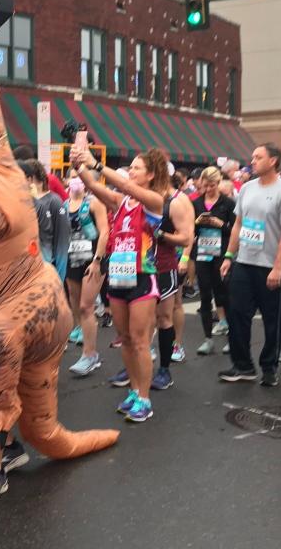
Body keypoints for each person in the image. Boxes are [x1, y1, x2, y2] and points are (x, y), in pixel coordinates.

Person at [72, 145, 167, 422]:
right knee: (124, 339)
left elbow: (122, 182)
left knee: (139, 341)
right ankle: (135, 392)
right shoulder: (119, 201)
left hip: (142, 277)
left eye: (137, 167)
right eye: (131, 167)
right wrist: (79, 162)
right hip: (118, 277)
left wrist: (98, 164)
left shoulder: (153, 200)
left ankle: (146, 399)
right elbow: (91, 184)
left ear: (150, 175)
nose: (131, 171)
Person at [219, 144, 281, 386]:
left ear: (273, 161)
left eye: (258, 157)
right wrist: (229, 256)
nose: (252, 161)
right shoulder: (246, 188)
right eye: (252, 156)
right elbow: (238, 225)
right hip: (244, 261)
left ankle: (269, 367)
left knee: (271, 319)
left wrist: (277, 267)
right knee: (237, 314)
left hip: (270, 266)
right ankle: (242, 365)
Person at [151, 169, 195, 390]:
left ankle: (170, 358)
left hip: (170, 262)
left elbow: (188, 234)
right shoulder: (145, 195)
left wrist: (185, 257)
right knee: (144, 316)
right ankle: (139, 359)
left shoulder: (178, 200)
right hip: (144, 265)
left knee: (169, 311)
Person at [64, 172, 109, 377]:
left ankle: (89, 355)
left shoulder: (94, 203)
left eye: (79, 177)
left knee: (86, 306)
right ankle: (87, 345)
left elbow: (104, 231)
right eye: (72, 177)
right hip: (71, 261)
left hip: (92, 262)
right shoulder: (63, 206)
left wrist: (97, 260)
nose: (76, 180)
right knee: (76, 307)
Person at [192, 166, 235, 355]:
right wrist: (196, 222)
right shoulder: (196, 203)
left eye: (211, 186)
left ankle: (231, 338)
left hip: (221, 252)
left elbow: (235, 230)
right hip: (202, 252)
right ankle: (207, 339)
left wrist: (221, 225)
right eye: (205, 186)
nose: (208, 189)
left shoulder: (227, 203)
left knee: (224, 294)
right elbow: (188, 228)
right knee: (204, 296)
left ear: (218, 183)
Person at [19, 159, 70, 282]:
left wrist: (59, 279)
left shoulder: (54, 201)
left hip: (46, 271)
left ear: (31, 179)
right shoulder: (22, 203)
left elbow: (61, 243)